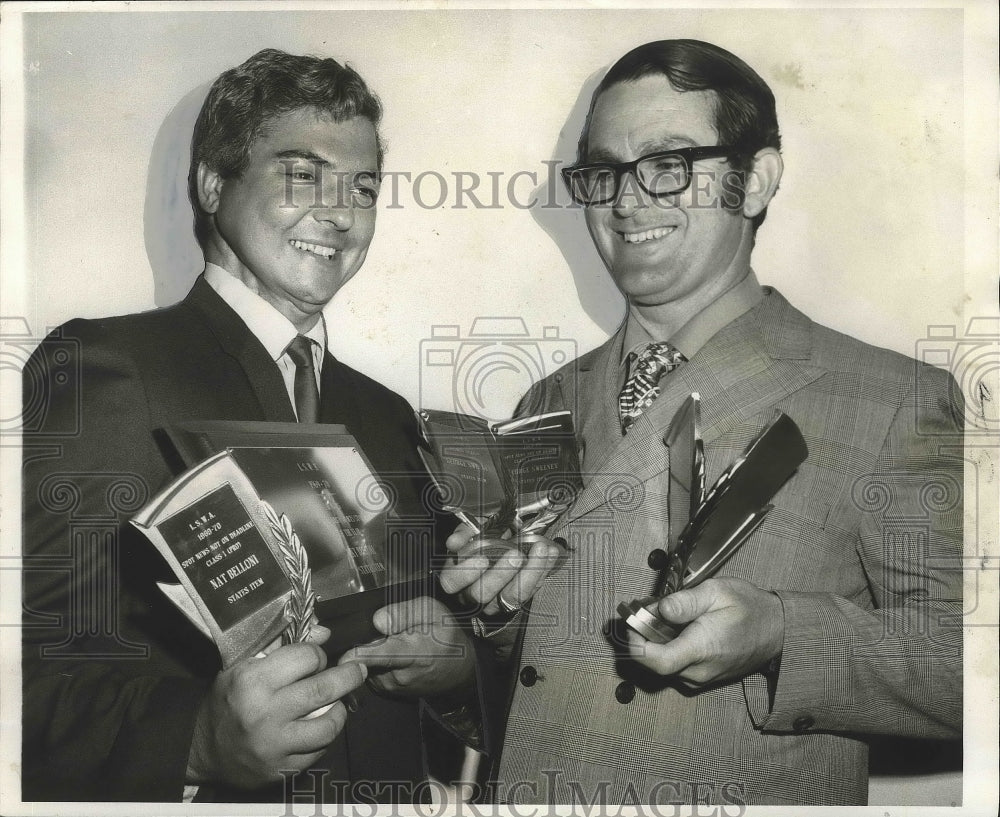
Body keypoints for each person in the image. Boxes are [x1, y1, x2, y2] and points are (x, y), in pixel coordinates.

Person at [440, 39, 964, 806]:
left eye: (667, 164)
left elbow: (972, 667)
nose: (625, 200)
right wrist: (495, 611)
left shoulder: (893, 399)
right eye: (603, 171)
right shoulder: (545, 399)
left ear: (755, 181)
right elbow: (531, 677)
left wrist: (785, 632)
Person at [21, 48, 479, 803]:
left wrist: (456, 667)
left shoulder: (387, 415)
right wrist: (196, 741)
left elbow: (422, 682)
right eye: (303, 175)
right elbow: (23, 674)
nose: (339, 211)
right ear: (211, 183)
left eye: (363, 187)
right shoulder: (106, 367)